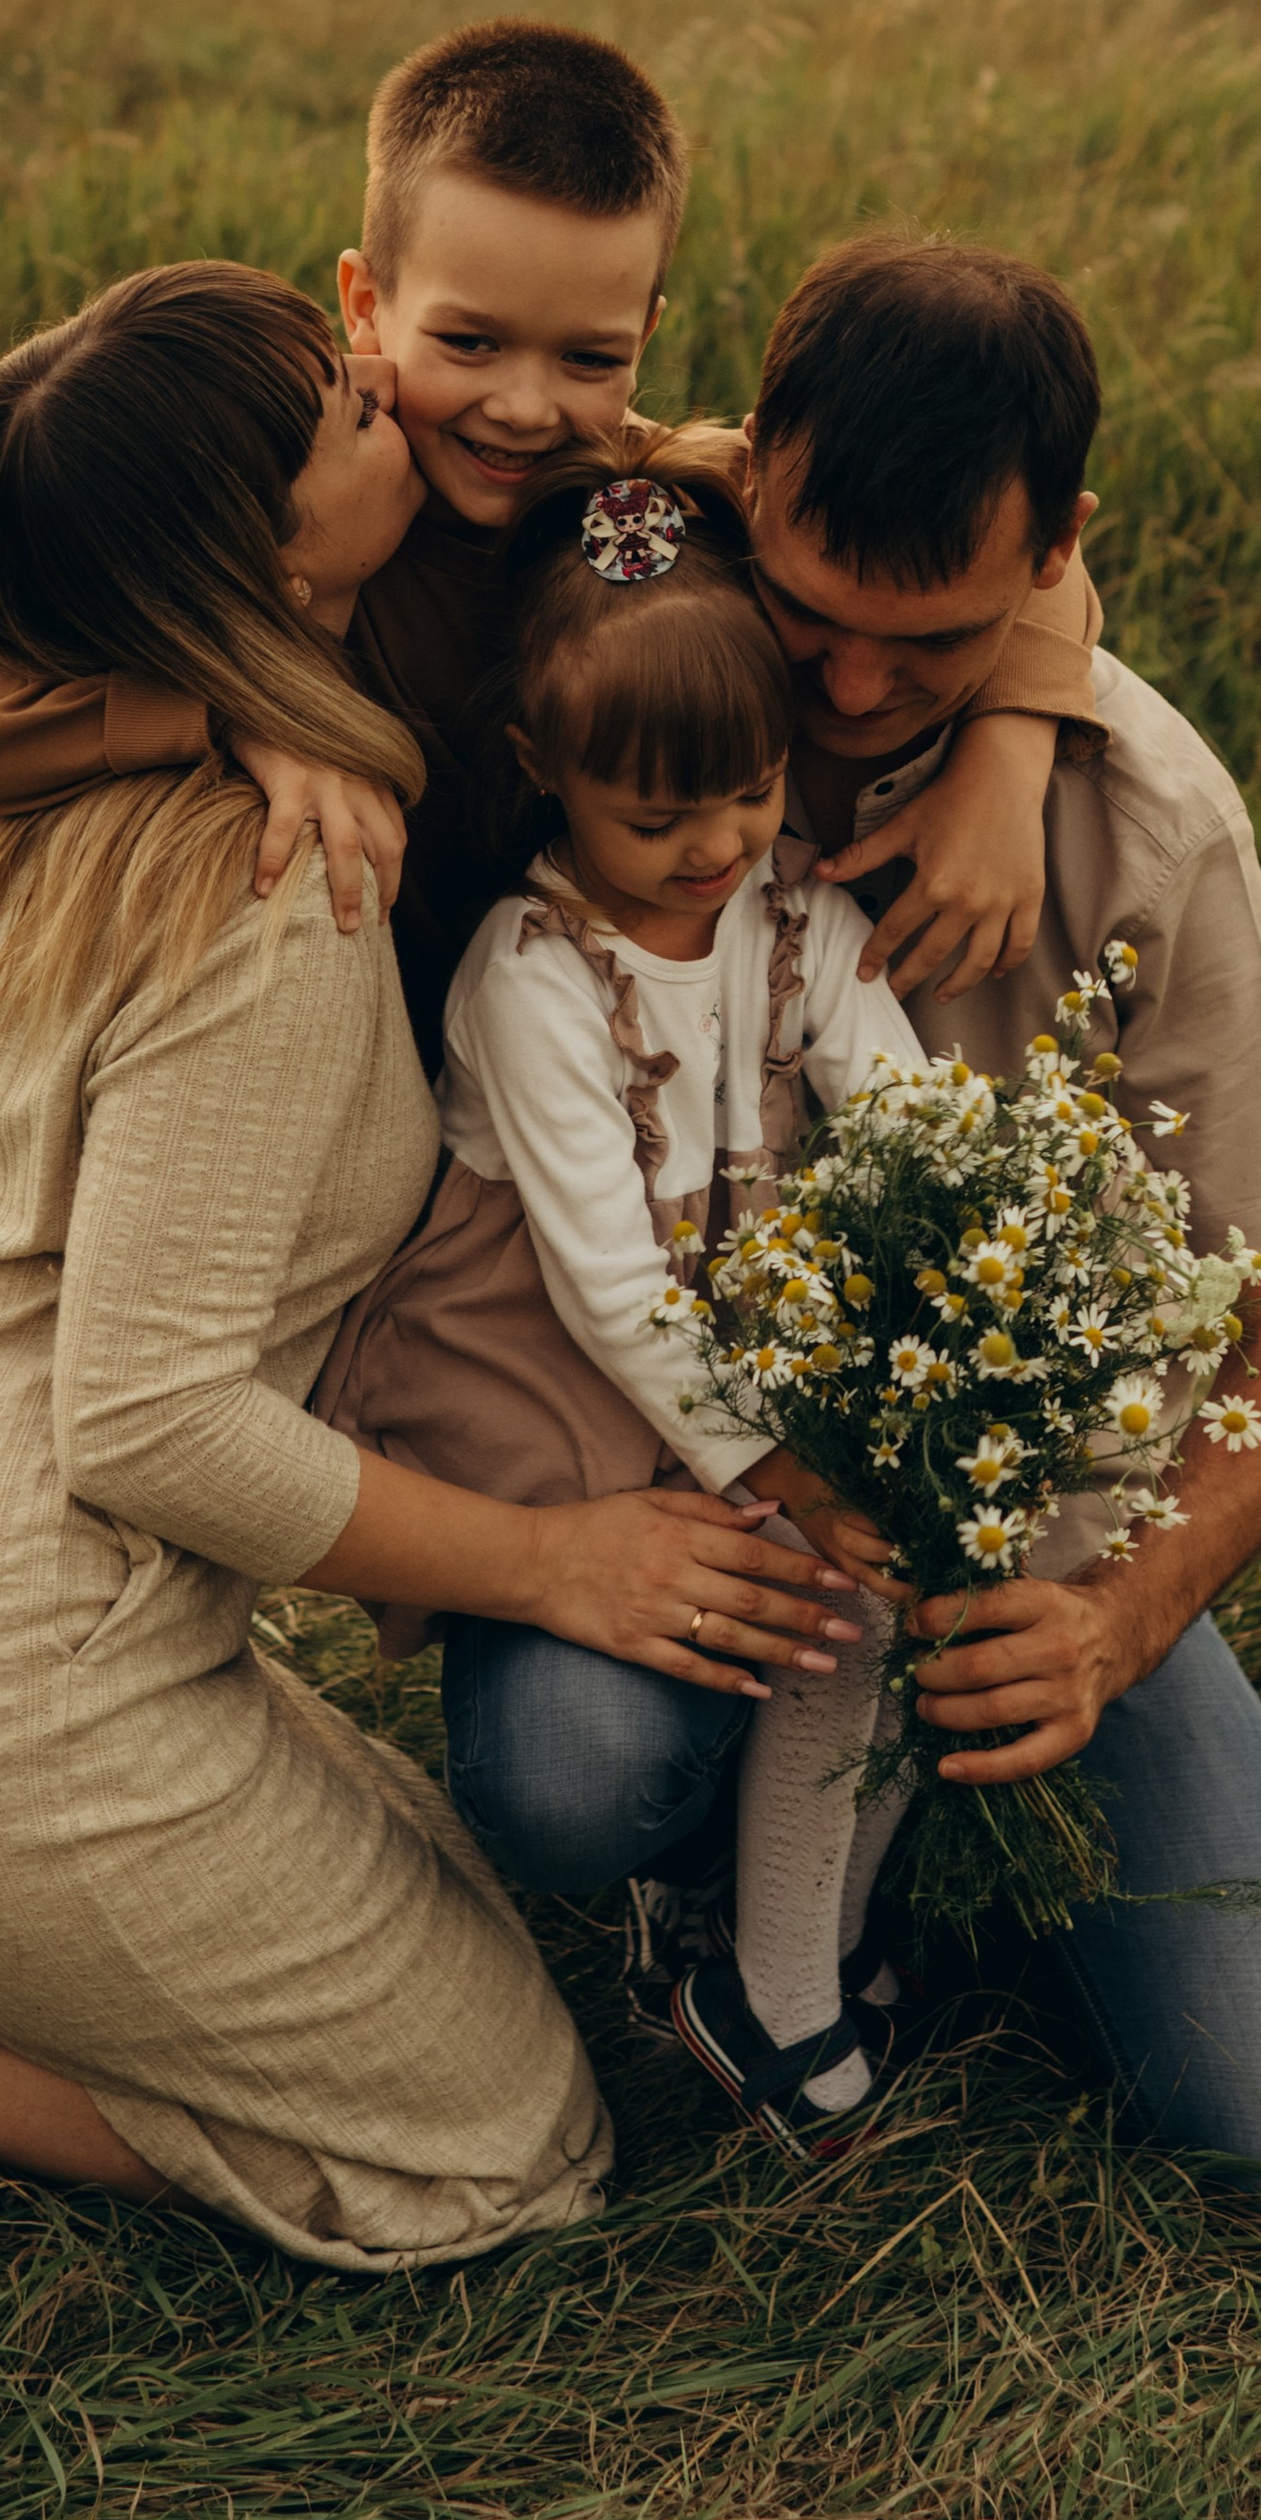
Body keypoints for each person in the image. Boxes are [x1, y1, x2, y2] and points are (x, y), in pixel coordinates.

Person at [0, 263, 856, 2299]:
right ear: (259, 562)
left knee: (439, 1902)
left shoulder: (18, 744)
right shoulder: (275, 889)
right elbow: (151, 1423)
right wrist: (552, 1571)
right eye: (343, 417)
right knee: (501, 2144)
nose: (384, 386)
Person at [722, 233, 1261, 2189]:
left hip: (1029, 1547)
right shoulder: (631, 660)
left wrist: (1116, 1618)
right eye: (804, 613)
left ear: (1055, 556)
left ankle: (929, 1831)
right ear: (738, 483)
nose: (849, 690)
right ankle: (725, 1880)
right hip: (684, 1499)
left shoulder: (1152, 825)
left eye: (928, 644)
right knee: (562, 1768)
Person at [0, 19, 1103, 1068]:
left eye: (590, 358)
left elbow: (995, 560)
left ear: (648, 332)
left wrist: (1006, 753)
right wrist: (241, 711)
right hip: (328, 1067)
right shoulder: (296, 509)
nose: (523, 405)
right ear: (365, 304)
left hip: (586, 1062)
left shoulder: (646, 504)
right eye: (467, 344)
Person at [312, 436, 928, 2155]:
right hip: (567, 1415)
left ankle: (783, 1963)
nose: (712, 847)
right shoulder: (535, 973)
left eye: (746, 794)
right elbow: (604, 1288)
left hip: (733, 1401)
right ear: (543, 770)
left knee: (874, 1590)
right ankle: (771, 1970)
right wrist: (789, 1472)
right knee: (812, 1592)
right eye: (655, 817)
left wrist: (944, 1343)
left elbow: (900, 1127)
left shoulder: (791, 913)